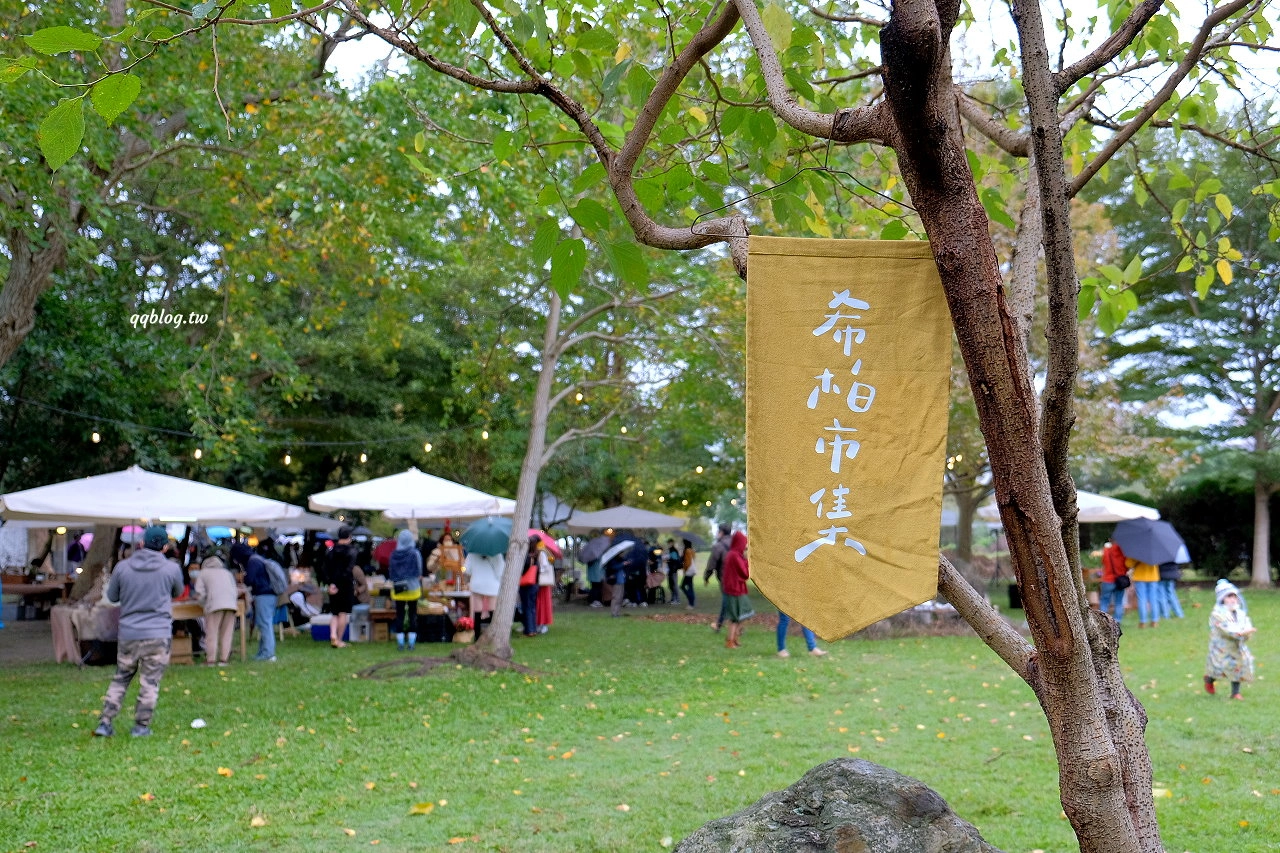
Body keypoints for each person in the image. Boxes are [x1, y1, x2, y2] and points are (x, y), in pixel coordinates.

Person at [92, 525, 183, 738]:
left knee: (121, 677)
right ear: (165, 547)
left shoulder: (123, 567)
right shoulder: (171, 569)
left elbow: (113, 597)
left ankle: (105, 722)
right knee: (150, 681)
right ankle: (141, 726)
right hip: (158, 633)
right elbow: (177, 592)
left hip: (129, 633)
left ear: (141, 543)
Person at [1204, 582, 1256, 699]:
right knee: (1219, 667)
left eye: (1234, 596)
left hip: (1237, 646)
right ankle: (1209, 679)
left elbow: (1245, 624)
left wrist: (1247, 632)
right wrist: (1239, 633)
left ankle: (1235, 693)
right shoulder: (1217, 614)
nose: (1232, 599)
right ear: (1222, 598)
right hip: (1221, 647)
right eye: (1229, 596)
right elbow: (1225, 628)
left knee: (1238, 666)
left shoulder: (1240, 613)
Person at [230, 542, 277, 662]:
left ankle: (268, 653)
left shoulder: (252, 562)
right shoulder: (258, 559)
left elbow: (249, 579)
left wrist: (241, 578)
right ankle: (263, 652)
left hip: (263, 595)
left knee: (265, 624)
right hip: (269, 595)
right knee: (264, 623)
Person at [193, 555, 238, 667]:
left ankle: (211, 660)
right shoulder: (227, 573)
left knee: (212, 633)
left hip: (214, 605)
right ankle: (224, 660)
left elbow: (200, 593)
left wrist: (204, 605)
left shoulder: (204, 573)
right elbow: (235, 590)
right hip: (231, 605)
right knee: (227, 633)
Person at [319, 526, 357, 648]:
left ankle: (333, 634)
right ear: (349, 537)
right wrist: (338, 583)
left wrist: (330, 584)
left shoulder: (330, 551)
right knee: (343, 613)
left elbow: (324, 569)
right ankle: (339, 639)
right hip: (345, 585)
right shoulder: (351, 551)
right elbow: (348, 569)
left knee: (334, 613)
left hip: (332, 585)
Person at [388, 530, 423, 650]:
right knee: (413, 615)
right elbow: (419, 571)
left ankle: (401, 643)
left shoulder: (393, 554)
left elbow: (391, 572)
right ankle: (412, 643)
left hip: (399, 589)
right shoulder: (415, 553)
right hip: (413, 588)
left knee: (400, 616)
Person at [721, 531, 754, 649]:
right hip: (734, 590)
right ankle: (730, 640)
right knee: (735, 617)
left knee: (746, 613)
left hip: (737, 589)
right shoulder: (734, 555)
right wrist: (746, 560)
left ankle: (734, 637)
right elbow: (745, 573)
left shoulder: (734, 554)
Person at [465, 550, 503, 636]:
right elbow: (500, 570)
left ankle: (477, 636)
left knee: (477, 611)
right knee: (492, 609)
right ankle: (493, 635)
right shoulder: (497, 553)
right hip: (492, 584)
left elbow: (467, 570)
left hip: (477, 584)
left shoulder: (472, 553)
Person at [705, 524, 732, 631]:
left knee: (727, 601)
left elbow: (712, 564)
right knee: (732, 601)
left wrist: (706, 577)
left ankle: (719, 624)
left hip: (725, 577)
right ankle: (736, 626)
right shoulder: (736, 543)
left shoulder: (718, 546)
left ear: (721, 532)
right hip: (737, 577)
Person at [518, 535, 545, 637]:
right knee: (532, 607)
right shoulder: (537, 556)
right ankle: (533, 628)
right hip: (535, 584)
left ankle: (529, 630)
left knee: (527, 607)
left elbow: (522, 571)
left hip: (526, 584)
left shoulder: (527, 557)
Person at [1099, 540, 1129, 624]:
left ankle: (1103, 621)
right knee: (1119, 602)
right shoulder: (1123, 552)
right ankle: (1117, 621)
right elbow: (1126, 565)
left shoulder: (1107, 550)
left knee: (1104, 601)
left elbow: (1103, 562)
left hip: (1108, 579)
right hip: (1120, 580)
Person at [1128, 557, 1161, 628]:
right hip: (1153, 576)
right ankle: (1154, 621)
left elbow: (1128, 564)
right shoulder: (1154, 551)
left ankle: (1143, 622)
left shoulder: (1136, 552)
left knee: (1142, 600)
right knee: (1154, 600)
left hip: (1140, 577)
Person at [679, 539, 696, 609]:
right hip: (692, 570)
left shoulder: (687, 551)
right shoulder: (692, 550)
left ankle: (691, 602)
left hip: (688, 571)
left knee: (683, 586)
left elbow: (687, 562)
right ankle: (691, 602)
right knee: (690, 586)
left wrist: (685, 569)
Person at [665, 538, 681, 605]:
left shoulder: (673, 550)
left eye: (669, 543)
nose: (668, 544)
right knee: (671, 585)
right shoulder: (670, 550)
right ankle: (673, 598)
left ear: (672, 543)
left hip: (673, 570)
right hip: (670, 570)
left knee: (674, 585)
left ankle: (677, 599)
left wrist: (668, 560)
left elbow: (675, 560)